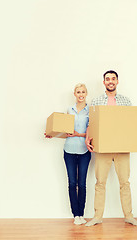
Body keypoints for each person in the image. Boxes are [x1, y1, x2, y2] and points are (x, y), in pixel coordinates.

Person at [85, 70, 137, 227]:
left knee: (125, 182)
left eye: (113, 79)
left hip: (122, 147)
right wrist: (87, 139)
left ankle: (129, 215)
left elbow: (131, 123)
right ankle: (97, 216)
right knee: (100, 182)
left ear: (117, 81)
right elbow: (91, 123)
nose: (110, 81)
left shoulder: (126, 101)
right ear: (104, 82)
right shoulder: (96, 101)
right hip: (103, 147)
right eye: (107, 79)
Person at [45, 83, 91, 225]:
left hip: (84, 151)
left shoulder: (91, 111)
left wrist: (80, 134)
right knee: (72, 183)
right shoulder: (69, 110)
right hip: (69, 150)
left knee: (82, 183)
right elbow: (65, 131)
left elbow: (92, 131)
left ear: (86, 93)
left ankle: (81, 214)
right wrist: (53, 134)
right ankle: (75, 215)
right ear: (74, 94)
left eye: (83, 92)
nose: (81, 94)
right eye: (78, 92)